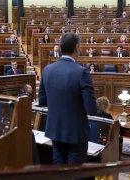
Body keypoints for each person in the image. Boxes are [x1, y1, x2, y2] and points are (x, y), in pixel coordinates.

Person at [38, 32, 97, 164]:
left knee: (60, 172)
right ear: (77, 47)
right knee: (74, 174)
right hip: (75, 132)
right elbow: (91, 109)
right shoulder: (82, 72)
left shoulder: (47, 70)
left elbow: (42, 101)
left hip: (55, 129)